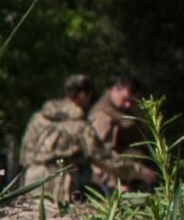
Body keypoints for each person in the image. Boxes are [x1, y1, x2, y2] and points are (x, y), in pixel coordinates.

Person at [19, 75, 99, 203]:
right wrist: (137, 171)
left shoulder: (39, 117)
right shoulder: (78, 123)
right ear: (83, 95)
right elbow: (98, 153)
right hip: (59, 180)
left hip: (32, 178)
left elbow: (24, 152)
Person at [91, 76, 159, 193]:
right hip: (118, 186)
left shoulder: (123, 110)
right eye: (125, 99)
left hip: (135, 178)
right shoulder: (103, 116)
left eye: (132, 101)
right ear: (115, 90)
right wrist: (115, 185)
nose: (128, 104)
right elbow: (98, 157)